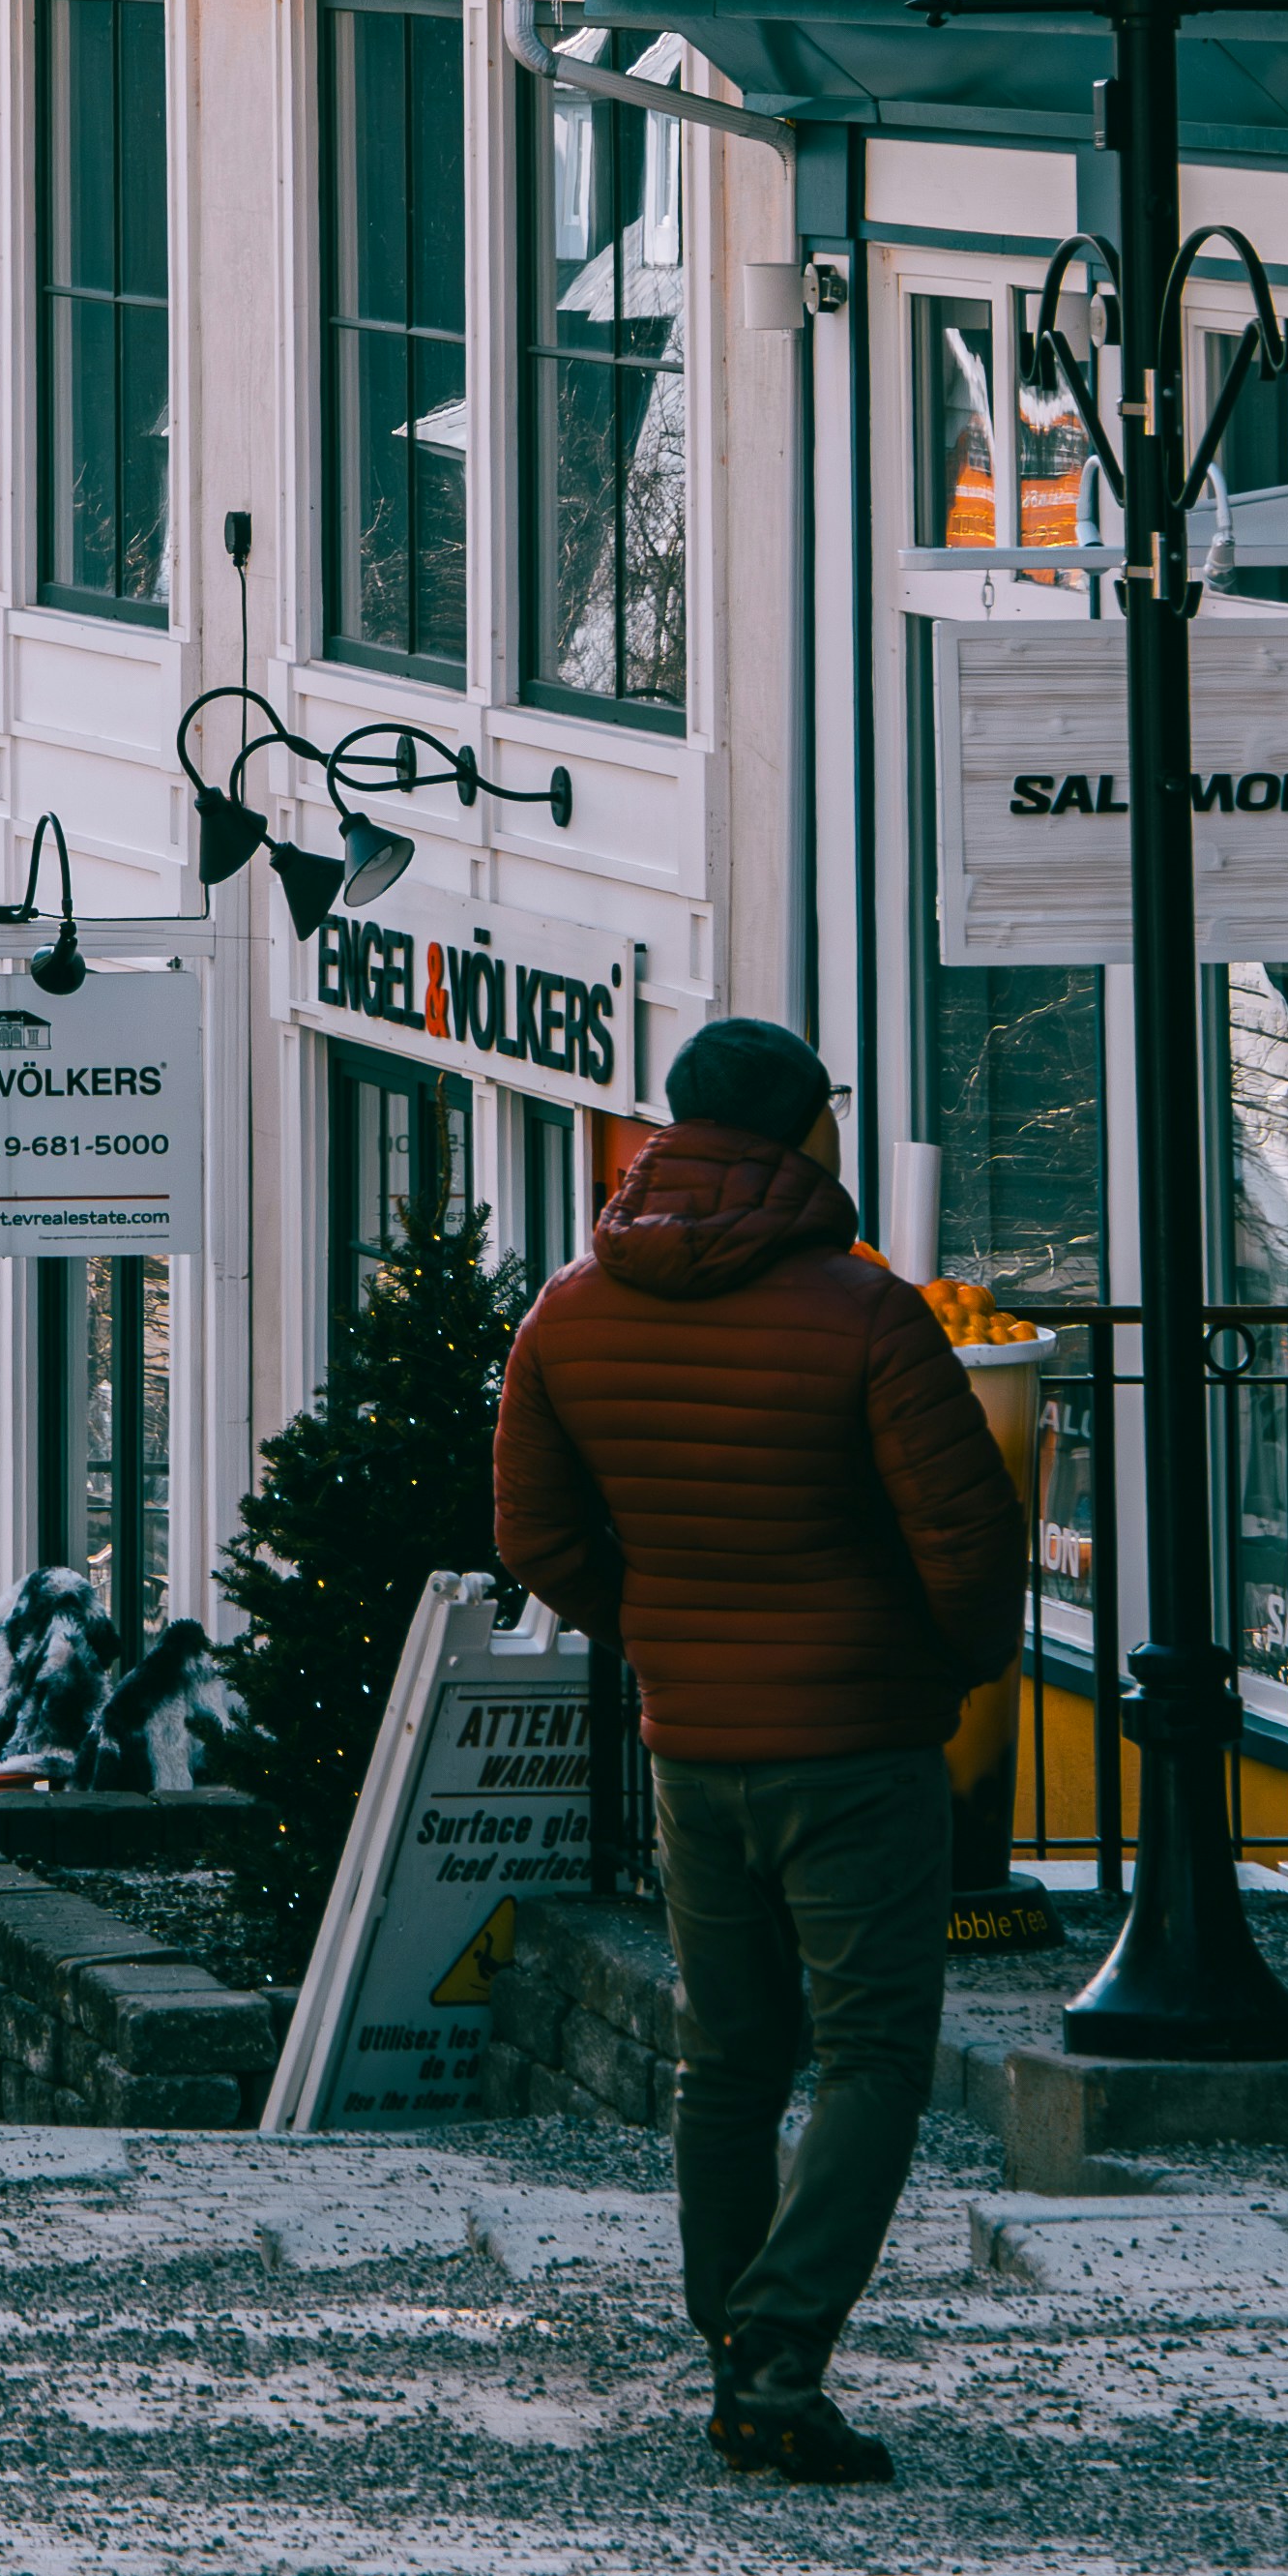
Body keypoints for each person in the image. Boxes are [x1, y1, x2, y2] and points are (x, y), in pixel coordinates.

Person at [490, 1015, 1018, 2491]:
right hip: (856, 1738)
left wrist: (660, 1627)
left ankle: (736, 2343)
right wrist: (945, 1665)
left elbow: (533, 1533)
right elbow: (966, 1538)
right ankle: (782, 2359)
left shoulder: (571, 1312)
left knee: (726, 2055)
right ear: (809, 1135)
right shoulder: (864, 1315)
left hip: (694, 1738)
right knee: (870, 2053)